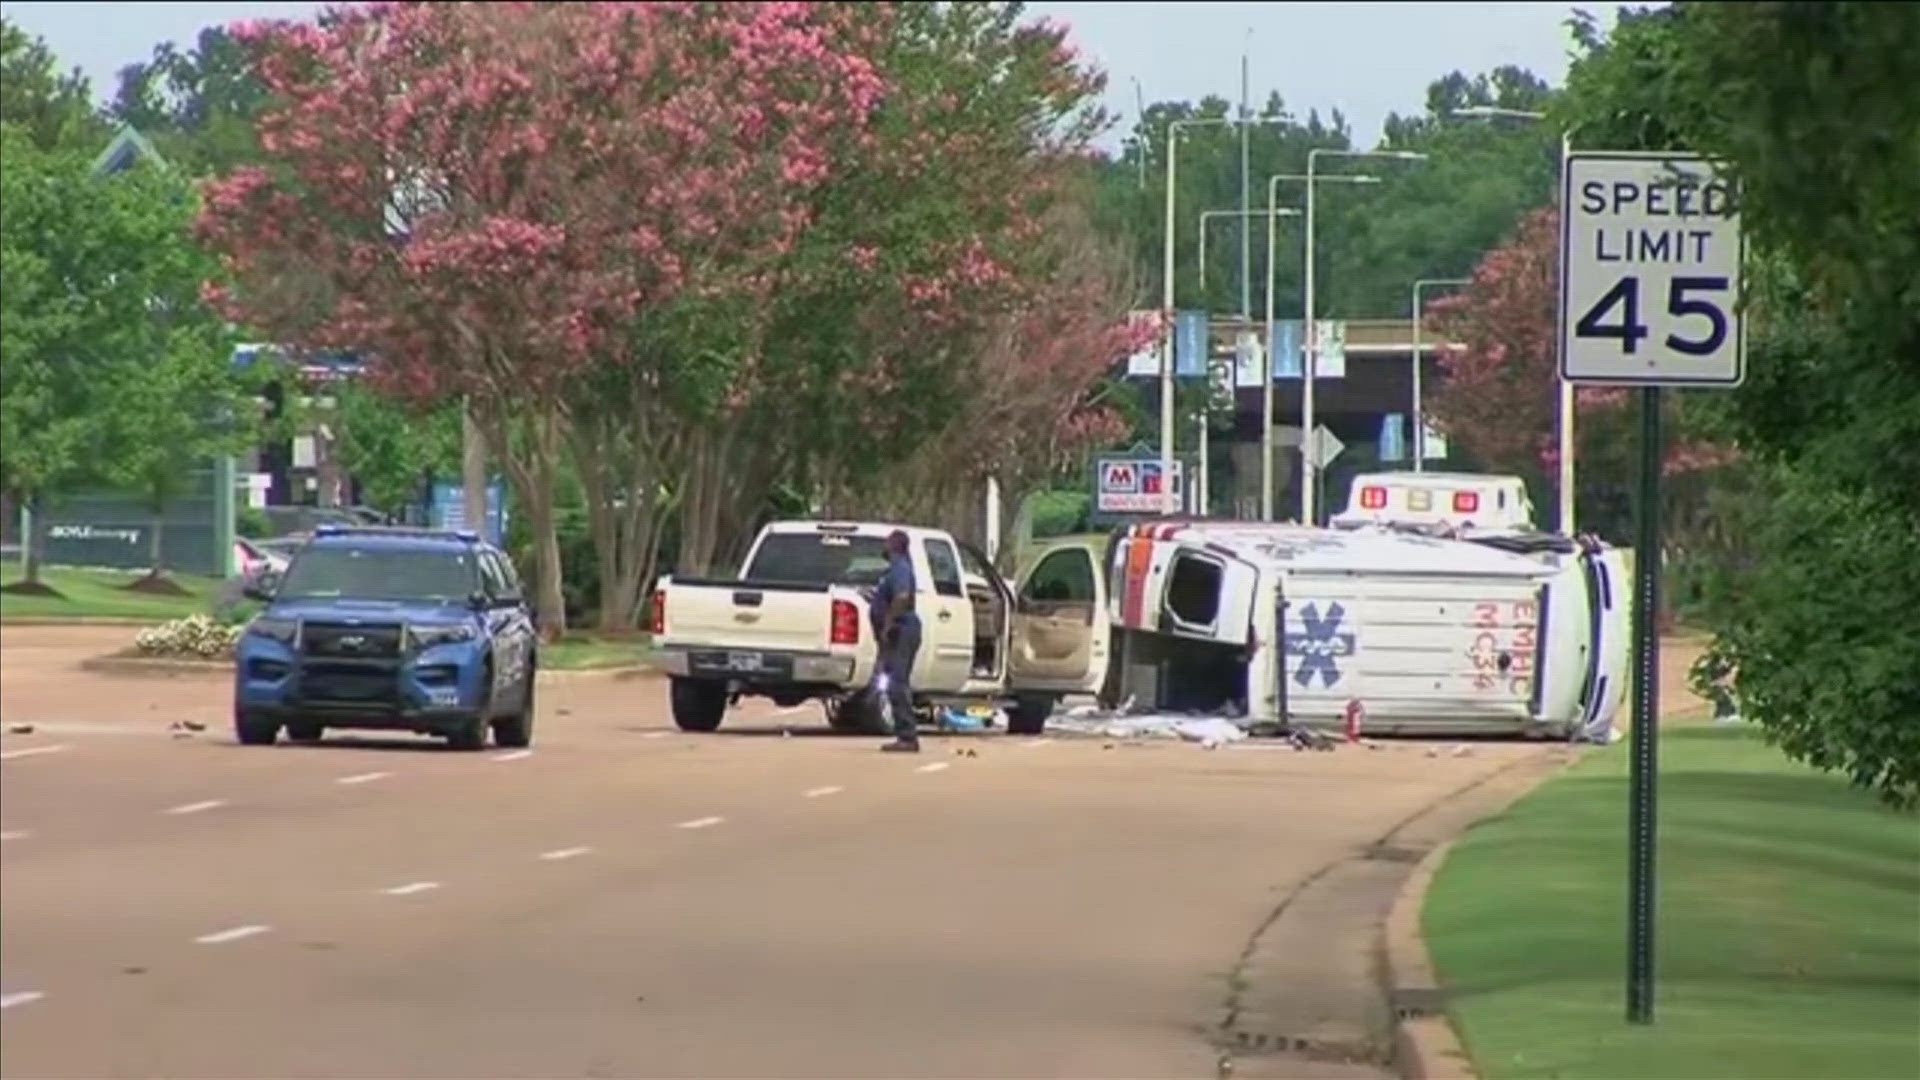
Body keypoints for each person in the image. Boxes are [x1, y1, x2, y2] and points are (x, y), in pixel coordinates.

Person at [869, 529, 921, 752]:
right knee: (892, 681)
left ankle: (908, 736)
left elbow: (902, 597)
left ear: (895, 545)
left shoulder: (901, 567)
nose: (884, 545)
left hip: (902, 629)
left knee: (898, 682)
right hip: (895, 632)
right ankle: (904, 733)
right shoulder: (893, 570)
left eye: (887, 542)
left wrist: (889, 622)